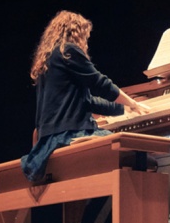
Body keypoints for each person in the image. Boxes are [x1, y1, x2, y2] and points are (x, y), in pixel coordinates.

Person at [20, 10, 150, 183]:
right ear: (76, 33)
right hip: (67, 136)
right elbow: (99, 82)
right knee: (135, 150)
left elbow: (87, 101)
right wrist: (132, 102)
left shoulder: (49, 59)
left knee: (124, 150)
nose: (86, 43)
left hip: (48, 140)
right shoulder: (68, 51)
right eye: (85, 37)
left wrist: (124, 109)